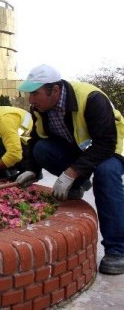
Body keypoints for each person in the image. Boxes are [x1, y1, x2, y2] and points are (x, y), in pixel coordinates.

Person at [14, 64, 124, 275]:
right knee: (42, 150)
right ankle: (80, 183)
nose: (31, 100)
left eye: (35, 93)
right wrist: (30, 170)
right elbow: (37, 139)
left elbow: (105, 143)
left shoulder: (91, 98)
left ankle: (117, 250)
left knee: (105, 174)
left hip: (111, 146)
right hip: (81, 149)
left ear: (54, 90)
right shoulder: (40, 109)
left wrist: (71, 172)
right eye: (30, 94)